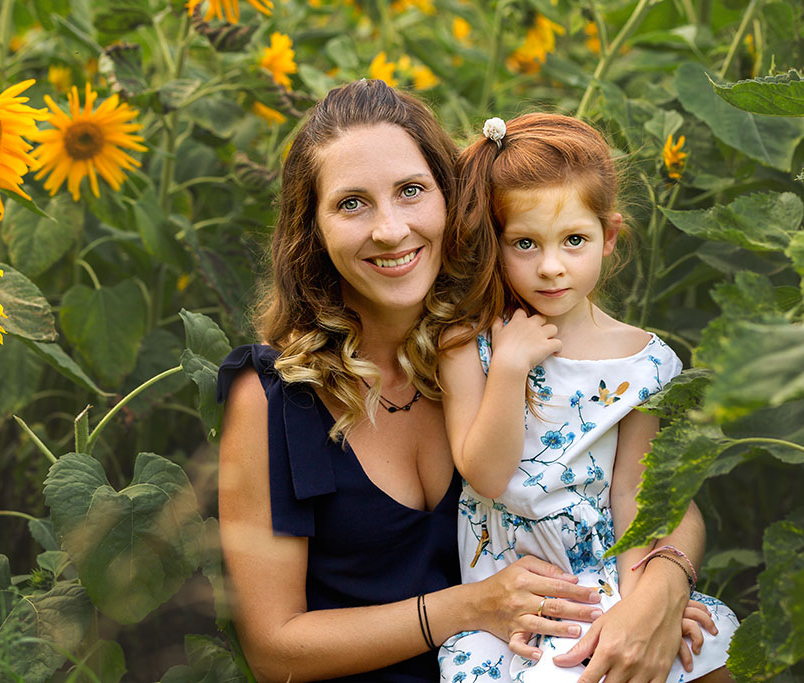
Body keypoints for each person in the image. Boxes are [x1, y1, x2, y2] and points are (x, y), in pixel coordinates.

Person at [216, 81, 611, 683]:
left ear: (451, 200)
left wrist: (663, 583)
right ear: (312, 231)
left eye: (410, 191)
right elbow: (274, 649)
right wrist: (468, 608)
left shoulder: (507, 346)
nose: (391, 229)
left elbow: (640, 470)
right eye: (352, 203)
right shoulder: (275, 397)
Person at [436, 113, 739, 683]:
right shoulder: (468, 345)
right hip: (519, 603)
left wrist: (639, 602)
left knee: (698, 658)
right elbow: (484, 475)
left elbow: (634, 491)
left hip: (608, 577)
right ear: (494, 246)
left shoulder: (645, 361)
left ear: (610, 236)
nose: (551, 267)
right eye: (524, 243)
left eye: (574, 240)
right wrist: (508, 368)